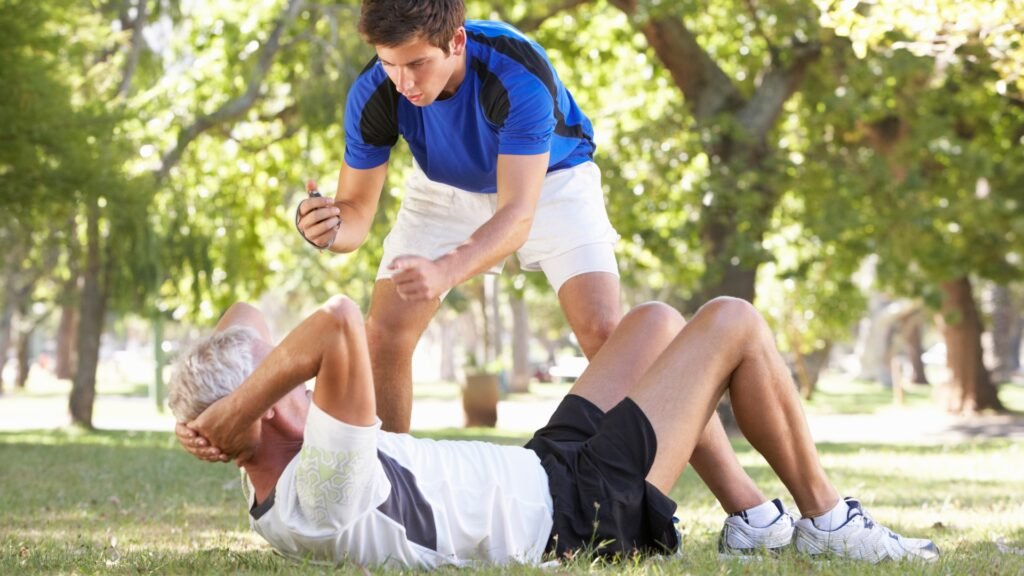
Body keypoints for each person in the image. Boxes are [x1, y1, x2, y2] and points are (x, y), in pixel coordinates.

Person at [170, 296, 940, 567]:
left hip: (545, 472)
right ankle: (828, 521)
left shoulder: (272, 468)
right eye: (290, 383)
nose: (307, 381)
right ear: (267, 411)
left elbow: (247, 321)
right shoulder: (318, 489)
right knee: (731, 322)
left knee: (653, 324)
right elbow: (337, 320)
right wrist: (235, 408)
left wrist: (220, 416)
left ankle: (751, 520)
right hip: (580, 517)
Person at [293, 0, 622, 433]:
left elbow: (516, 216)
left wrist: (445, 270)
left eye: (417, 63)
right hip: (444, 188)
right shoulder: (374, 92)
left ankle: (689, 465)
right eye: (390, 64)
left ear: (457, 41)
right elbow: (354, 215)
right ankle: (391, 471)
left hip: (550, 178)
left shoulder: (517, 72)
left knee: (605, 332)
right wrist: (327, 227)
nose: (404, 82)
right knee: (385, 332)